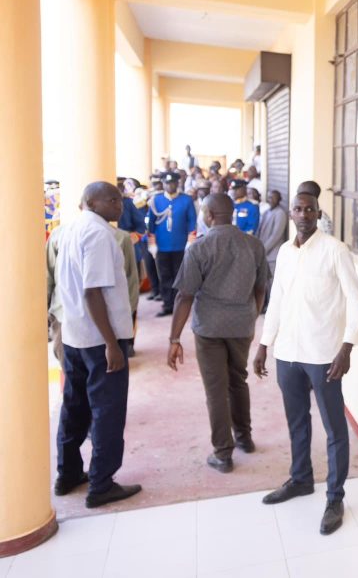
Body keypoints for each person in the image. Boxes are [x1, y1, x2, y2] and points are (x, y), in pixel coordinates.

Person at [253, 191, 358, 536]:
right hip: (287, 353)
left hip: (324, 355)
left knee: (334, 428)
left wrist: (346, 348)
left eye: (309, 209)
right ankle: (301, 479)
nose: (303, 214)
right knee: (296, 421)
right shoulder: (286, 253)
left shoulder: (335, 250)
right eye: (298, 209)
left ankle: (335, 498)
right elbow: (277, 303)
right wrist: (263, 345)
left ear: (318, 214)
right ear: (291, 214)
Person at [53, 181, 142, 508]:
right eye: (113, 199)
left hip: (74, 335)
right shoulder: (101, 235)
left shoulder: (70, 230)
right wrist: (112, 344)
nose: (120, 204)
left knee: (74, 406)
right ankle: (101, 484)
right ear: (91, 201)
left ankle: (68, 473)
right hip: (98, 340)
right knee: (107, 411)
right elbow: (93, 292)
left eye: (120, 199)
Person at [167, 194, 269, 473]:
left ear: (209, 215)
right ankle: (244, 438)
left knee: (216, 391)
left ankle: (223, 454)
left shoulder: (198, 248)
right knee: (238, 380)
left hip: (209, 329)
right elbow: (261, 288)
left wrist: (174, 338)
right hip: (241, 326)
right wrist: (250, 314)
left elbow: (185, 296)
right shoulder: (253, 244)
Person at [48, 221, 140, 362]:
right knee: (72, 369)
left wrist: (126, 316)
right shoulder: (58, 235)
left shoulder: (121, 237)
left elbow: (131, 280)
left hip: (108, 320)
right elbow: (48, 274)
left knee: (104, 372)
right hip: (66, 317)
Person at [148, 172, 197, 317]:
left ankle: (179, 305)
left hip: (181, 246)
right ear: (163, 184)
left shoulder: (186, 200)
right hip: (162, 246)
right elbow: (151, 225)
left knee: (180, 276)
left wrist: (190, 242)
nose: (170, 185)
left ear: (178, 183)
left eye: (173, 183)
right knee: (164, 276)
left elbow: (192, 222)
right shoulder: (156, 201)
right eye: (167, 183)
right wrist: (152, 244)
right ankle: (167, 304)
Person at [256, 189, 288, 314]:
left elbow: (276, 235)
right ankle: (266, 305)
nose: (270, 200)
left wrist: (263, 249)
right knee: (265, 283)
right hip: (265, 254)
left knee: (273, 283)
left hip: (273, 254)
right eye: (269, 197)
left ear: (279, 199)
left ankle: (273, 308)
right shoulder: (267, 212)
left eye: (273, 197)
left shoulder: (280, 213)